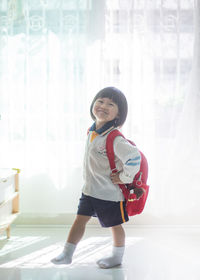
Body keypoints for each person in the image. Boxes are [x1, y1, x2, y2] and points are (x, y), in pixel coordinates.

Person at [51, 87, 141, 268]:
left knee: (114, 225)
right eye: (100, 101)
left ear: (118, 114)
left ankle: (117, 257)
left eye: (110, 104)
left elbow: (134, 157)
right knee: (79, 220)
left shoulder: (115, 138)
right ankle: (67, 254)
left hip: (109, 194)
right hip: (90, 190)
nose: (103, 106)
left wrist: (124, 177)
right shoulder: (92, 131)